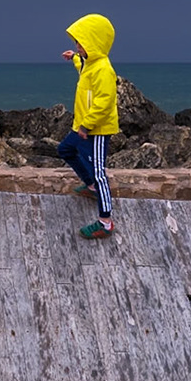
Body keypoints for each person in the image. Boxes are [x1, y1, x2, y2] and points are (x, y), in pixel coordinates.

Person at [58, 13, 118, 238]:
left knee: (100, 173)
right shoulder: (90, 64)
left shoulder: (103, 69)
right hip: (82, 127)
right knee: (65, 150)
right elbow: (83, 70)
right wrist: (74, 57)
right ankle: (91, 186)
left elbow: (104, 102)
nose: (77, 46)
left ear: (94, 43)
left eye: (80, 43)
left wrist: (86, 126)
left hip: (95, 130)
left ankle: (106, 222)